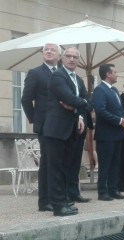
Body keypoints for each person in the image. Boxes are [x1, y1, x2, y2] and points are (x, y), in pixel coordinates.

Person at [43, 47, 92, 216]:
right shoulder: (57, 76)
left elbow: (88, 102)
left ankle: (64, 201)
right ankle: (58, 206)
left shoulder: (78, 79)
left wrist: (76, 108)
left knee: (65, 168)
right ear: (62, 59)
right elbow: (69, 97)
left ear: (78, 61)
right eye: (68, 56)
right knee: (55, 168)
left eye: (75, 57)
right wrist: (81, 104)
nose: (72, 59)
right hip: (56, 129)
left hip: (71, 129)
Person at [21, 43, 60, 212]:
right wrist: (34, 119)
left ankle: (60, 197)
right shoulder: (35, 73)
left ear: (59, 55)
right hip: (45, 124)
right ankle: (45, 201)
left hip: (62, 124)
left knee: (59, 162)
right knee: (47, 162)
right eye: (46, 50)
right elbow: (25, 99)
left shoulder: (63, 73)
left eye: (52, 50)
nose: (49, 51)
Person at [92, 64, 124, 201]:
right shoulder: (99, 90)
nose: (117, 74)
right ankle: (102, 191)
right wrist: (119, 120)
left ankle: (113, 189)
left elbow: (120, 108)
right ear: (108, 74)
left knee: (115, 163)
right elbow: (101, 111)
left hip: (117, 133)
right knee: (105, 164)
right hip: (106, 134)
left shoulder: (114, 90)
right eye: (115, 72)